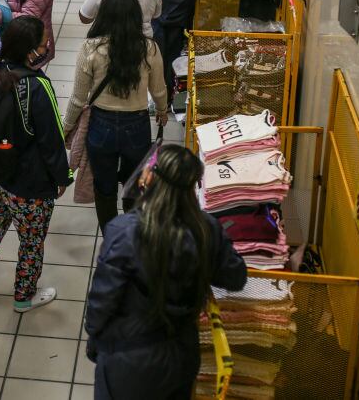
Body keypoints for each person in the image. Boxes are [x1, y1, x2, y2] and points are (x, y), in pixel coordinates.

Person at [85, 145, 247, 398]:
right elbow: (236, 277)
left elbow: (103, 300)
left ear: (150, 178)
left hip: (129, 358)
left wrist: (95, 337)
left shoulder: (124, 231)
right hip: (181, 356)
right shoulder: (206, 229)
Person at [0, 16, 71, 313]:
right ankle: (24, 297)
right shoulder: (37, 85)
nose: (46, 48)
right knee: (31, 241)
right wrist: (61, 177)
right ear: (30, 51)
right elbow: (52, 139)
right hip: (29, 184)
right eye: (43, 45)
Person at [65, 0, 168, 230]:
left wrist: (66, 126)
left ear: (103, 15)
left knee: (104, 187)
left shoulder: (90, 48)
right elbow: (159, 90)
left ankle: (111, 237)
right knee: (135, 186)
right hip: (137, 125)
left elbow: (78, 98)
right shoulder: (149, 48)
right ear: (135, 16)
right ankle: (132, 234)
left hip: (101, 125)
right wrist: (162, 111)